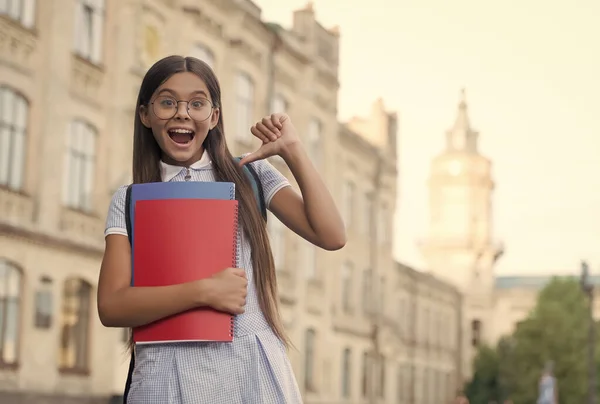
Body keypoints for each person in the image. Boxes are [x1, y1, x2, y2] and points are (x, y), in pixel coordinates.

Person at [97, 55, 346, 404]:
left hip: (251, 374)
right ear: (145, 114)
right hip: (165, 377)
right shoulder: (129, 199)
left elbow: (332, 235)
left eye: (197, 103)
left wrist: (292, 150)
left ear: (214, 116)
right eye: (167, 102)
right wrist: (204, 291)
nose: (182, 113)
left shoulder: (251, 175)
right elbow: (111, 306)